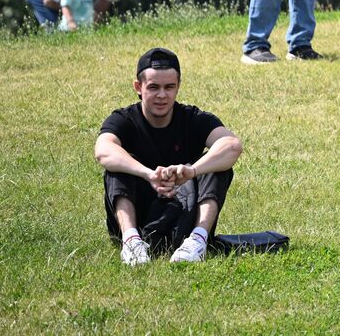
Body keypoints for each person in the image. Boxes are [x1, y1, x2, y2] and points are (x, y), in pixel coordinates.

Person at [95, 48, 244, 265]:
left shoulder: (193, 118)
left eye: (169, 87)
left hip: (185, 216)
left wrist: (192, 171)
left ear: (178, 87)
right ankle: (131, 243)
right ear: (138, 87)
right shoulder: (124, 119)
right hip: (140, 216)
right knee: (117, 165)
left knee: (217, 164)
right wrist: (147, 174)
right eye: (154, 87)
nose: (162, 95)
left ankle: (198, 240)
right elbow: (103, 150)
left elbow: (231, 146)